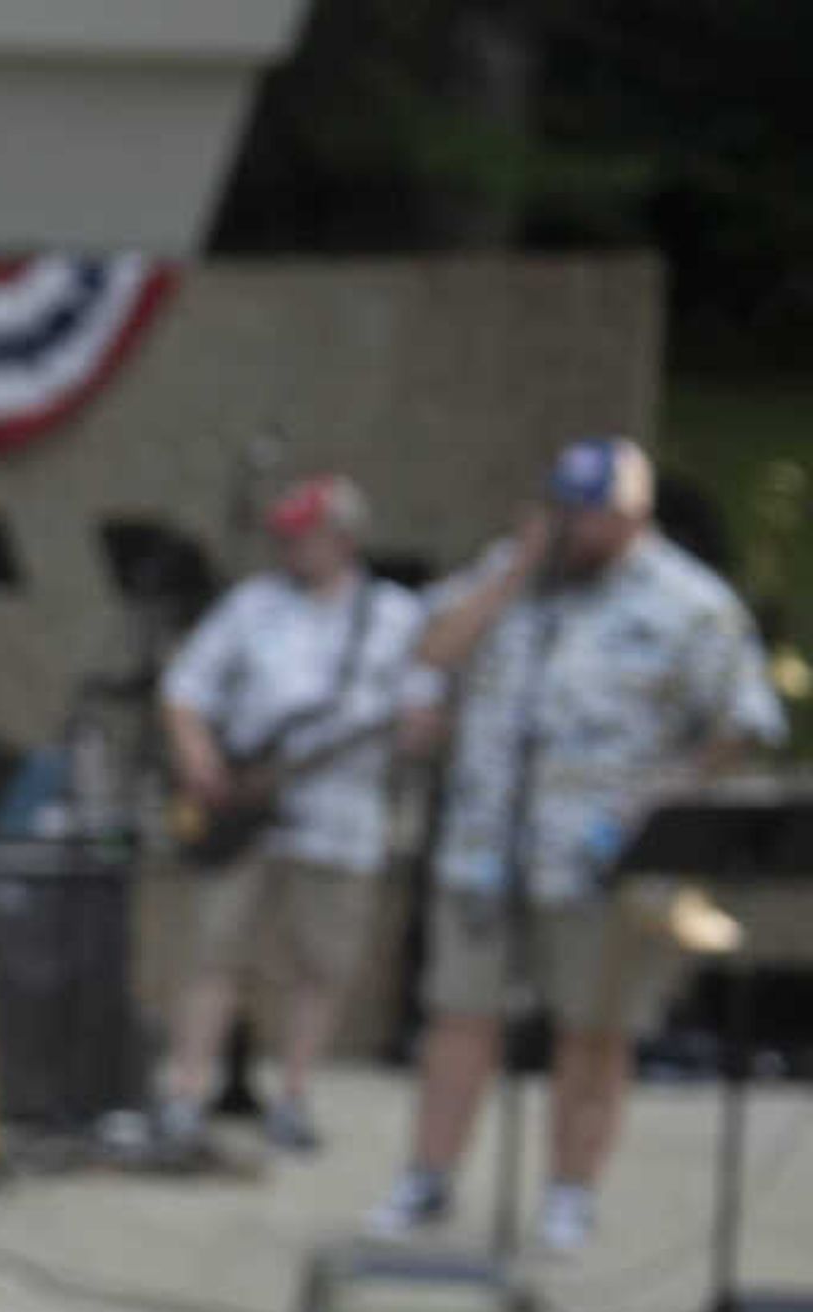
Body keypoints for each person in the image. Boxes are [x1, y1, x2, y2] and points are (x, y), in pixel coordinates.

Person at [370, 436, 787, 1252]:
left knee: (592, 1030)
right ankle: (428, 1178)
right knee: (459, 1014)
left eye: (591, 515)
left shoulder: (687, 602)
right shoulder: (515, 574)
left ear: (634, 515)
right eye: (563, 509)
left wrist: (672, 794)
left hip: (601, 864)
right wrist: (515, 572)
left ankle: (569, 1190)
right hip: (487, 846)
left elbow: (746, 719)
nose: (573, 529)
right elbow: (430, 650)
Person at [152, 473, 427, 1157]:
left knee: (322, 963)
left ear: (344, 539)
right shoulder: (253, 605)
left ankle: (294, 1094)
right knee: (216, 951)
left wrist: (421, 728)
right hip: (245, 811)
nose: (288, 548)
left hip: (340, 819)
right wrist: (200, 758)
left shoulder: (394, 616)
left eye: (302, 536)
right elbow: (184, 686)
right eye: (284, 535)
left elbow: (422, 711)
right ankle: (186, 1091)